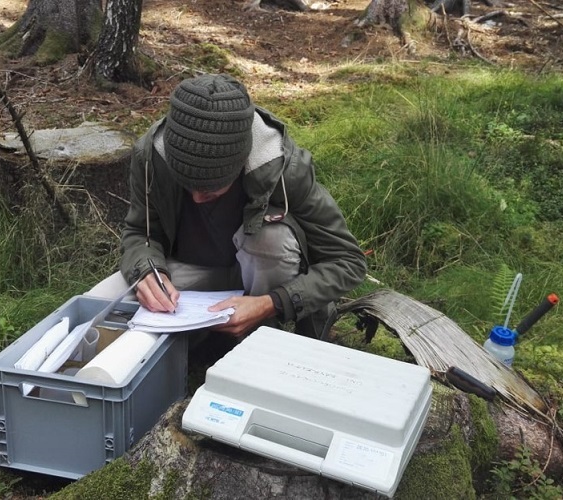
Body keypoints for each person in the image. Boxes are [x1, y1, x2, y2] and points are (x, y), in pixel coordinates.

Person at [98, 73, 366, 341]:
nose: (196, 199)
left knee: (272, 240)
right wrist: (147, 271)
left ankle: (262, 334)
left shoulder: (284, 168)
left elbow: (348, 262)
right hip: (189, 275)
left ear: (241, 163)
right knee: (103, 300)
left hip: (263, 282)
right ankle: (195, 346)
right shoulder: (151, 158)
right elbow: (140, 232)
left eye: (210, 191)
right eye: (185, 185)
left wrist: (271, 303)